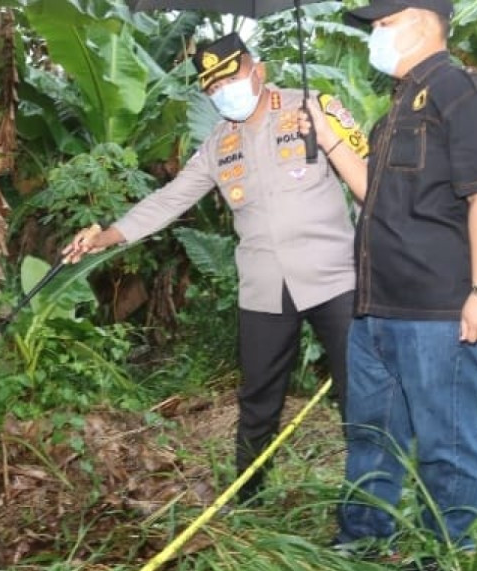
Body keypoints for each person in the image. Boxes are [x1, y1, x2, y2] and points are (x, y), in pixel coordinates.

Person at [63, 33, 368, 506]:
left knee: (359, 394)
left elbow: (372, 180)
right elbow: (170, 199)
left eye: (232, 78)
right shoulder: (218, 146)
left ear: (258, 71)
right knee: (258, 398)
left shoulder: (315, 107)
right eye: (212, 86)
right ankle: (248, 497)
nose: (223, 92)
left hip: (336, 279)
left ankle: (368, 505)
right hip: (265, 289)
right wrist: (107, 234)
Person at [298, 0, 477, 571]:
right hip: (376, 306)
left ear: (420, 22)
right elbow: (377, 194)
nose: (375, 35)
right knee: (371, 434)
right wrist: (331, 138)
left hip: (437, 308)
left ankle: (444, 557)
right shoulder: (394, 108)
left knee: (446, 442)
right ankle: (364, 537)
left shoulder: (463, 94)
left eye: (382, 24)